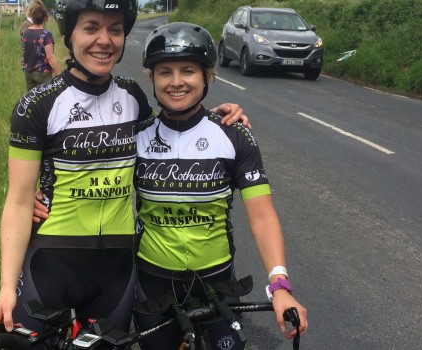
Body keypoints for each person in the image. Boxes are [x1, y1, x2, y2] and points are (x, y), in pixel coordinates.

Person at [0, 0, 246, 335]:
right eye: (91, 27)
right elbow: (19, 201)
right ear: (69, 34)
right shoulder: (37, 105)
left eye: (115, 29)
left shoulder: (133, 96)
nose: (105, 40)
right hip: (50, 263)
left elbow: (167, 139)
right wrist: (7, 286)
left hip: (116, 271)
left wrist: (219, 120)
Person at [130, 22, 308, 349]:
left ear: (207, 77)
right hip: (153, 282)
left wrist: (280, 285)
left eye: (188, 71)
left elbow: (262, 216)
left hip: (216, 281)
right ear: (151, 78)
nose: (177, 82)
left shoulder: (234, 135)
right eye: (164, 72)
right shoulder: (137, 136)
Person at [20, 3, 61, 90]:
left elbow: (24, 51)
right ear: (45, 18)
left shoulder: (25, 33)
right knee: (45, 99)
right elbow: (50, 57)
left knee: (32, 100)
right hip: (43, 73)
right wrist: (59, 75)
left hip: (28, 73)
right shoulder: (46, 34)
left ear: (32, 17)